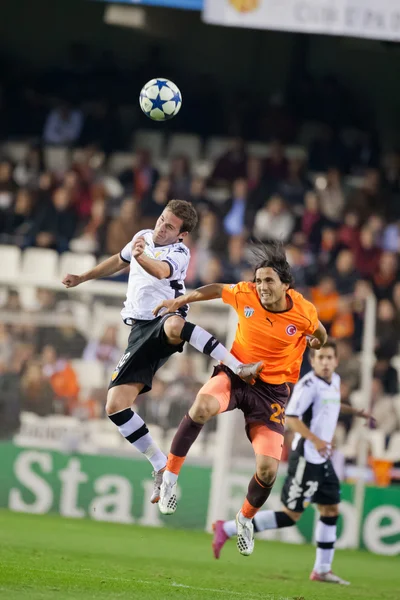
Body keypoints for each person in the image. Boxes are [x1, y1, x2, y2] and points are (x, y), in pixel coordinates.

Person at [62, 199, 261, 503]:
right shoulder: (142, 237)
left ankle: (236, 366)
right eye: (161, 219)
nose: (161, 227)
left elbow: (158, 271)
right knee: (115, 406)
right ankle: (159, 464)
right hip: (139, 331)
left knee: (173, 326)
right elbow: (118, 260)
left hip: (165, 315)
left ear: (182, 235)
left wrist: (140, 257)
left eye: (170, 226)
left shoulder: (179, 252)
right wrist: (82, 278)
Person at [152, 241, 328, 556]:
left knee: (267, 471)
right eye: (259, 280)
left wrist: (315, 343)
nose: (261, 287)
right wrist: (182, 298)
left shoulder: (304, 311)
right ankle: (169, 479)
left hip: (271, 393)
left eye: (269, 281)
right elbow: (217, 289)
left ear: (286, 285)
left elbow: (321, 333)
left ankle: (244, 519)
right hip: (236, 374)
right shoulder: (245, 293)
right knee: (202, 406)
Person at [212, 341, 374, 584]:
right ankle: (226, 529)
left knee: (331, 509)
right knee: (290, 516)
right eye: (321, 358)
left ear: (336, 360)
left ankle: (322, 569)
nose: (326, 362)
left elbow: (330, 404)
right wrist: (316, 440)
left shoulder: (335, 382)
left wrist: (354, 411)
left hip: (323, 458)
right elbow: (293, 419)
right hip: (307, 457)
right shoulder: (308, 386)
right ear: (313, 360)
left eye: (330, 358)